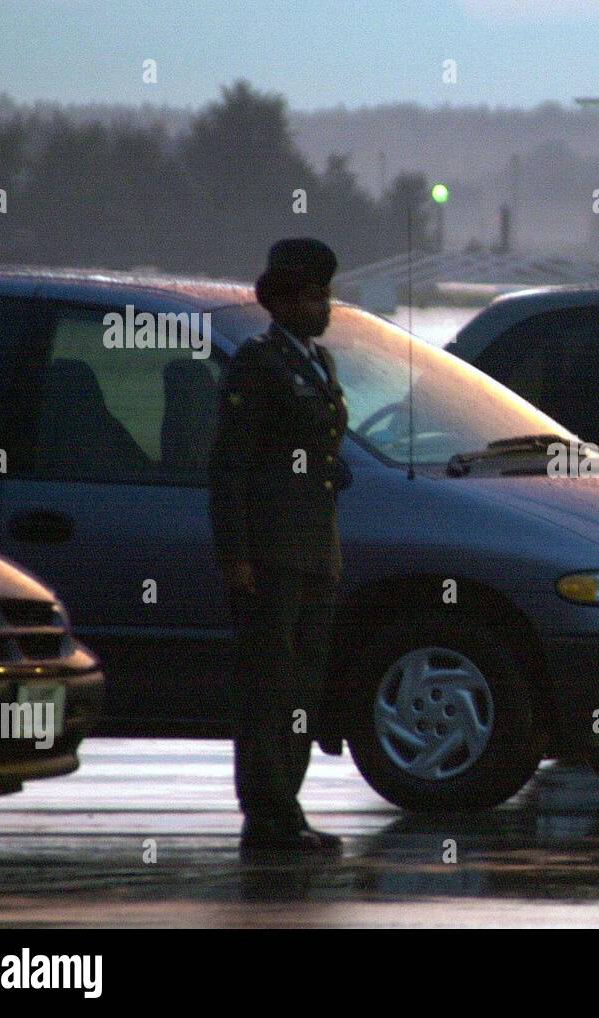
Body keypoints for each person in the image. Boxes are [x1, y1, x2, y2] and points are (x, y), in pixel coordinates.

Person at [209, 237, 350, 859]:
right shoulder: (259, 365)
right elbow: (231, 466)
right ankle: (264, 814)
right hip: (271, 554)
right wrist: (236, 557)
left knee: (302, 687)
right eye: (315, 296)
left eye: (326, 293)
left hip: (315, 551)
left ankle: (286, 809)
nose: (326, 306)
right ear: (283, 301)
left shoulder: (318, 363)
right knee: (267, 687)